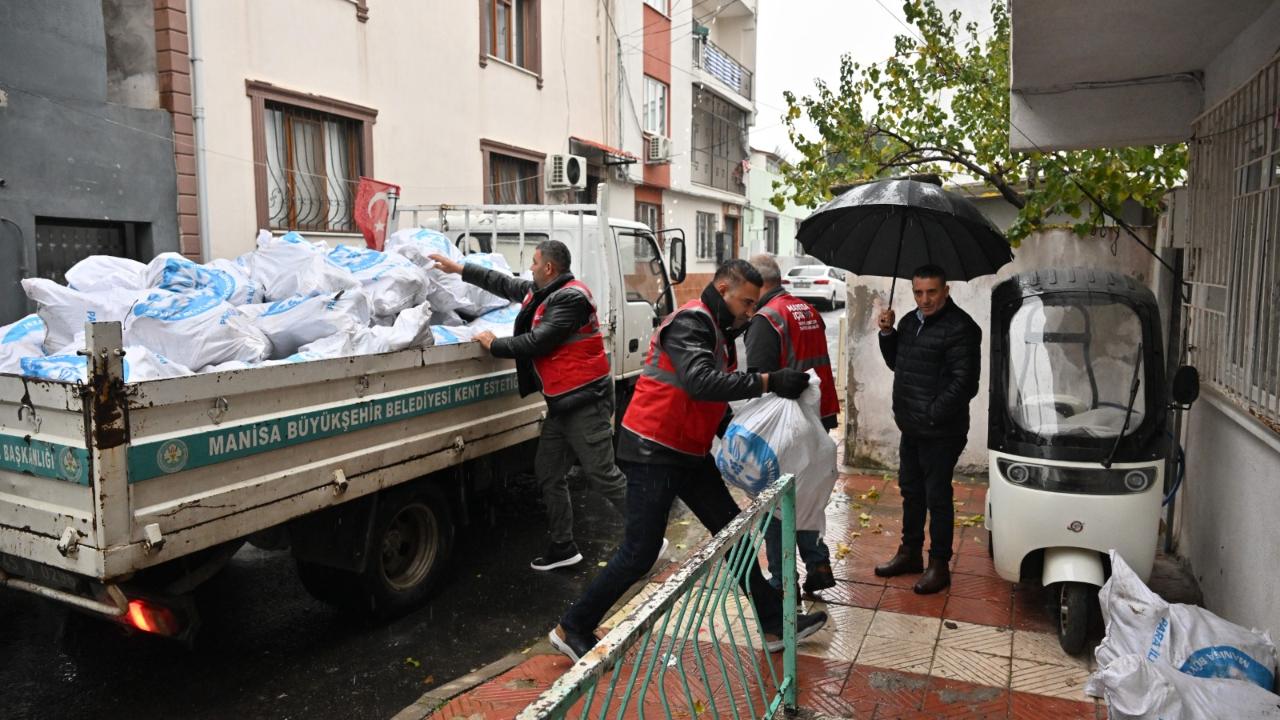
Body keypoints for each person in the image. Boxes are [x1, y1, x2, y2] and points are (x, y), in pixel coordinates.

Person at [547, 259, 829, 662]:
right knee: (641, 551)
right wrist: (769, 381)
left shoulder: (722, 331)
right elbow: (700, 382)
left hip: (688, 451)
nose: (751, 312)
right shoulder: (691, 322)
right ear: (723, 290)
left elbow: (710, 401)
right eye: (746, 303)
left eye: (754, 304)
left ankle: (771, 623)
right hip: (653, 450)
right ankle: (572, 626)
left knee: (732, 533)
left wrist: (740, 439)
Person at [429, 242, 627, 572]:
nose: (530, 268)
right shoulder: (543, 291)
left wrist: (495, 345)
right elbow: (504, 283)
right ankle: (563, 546)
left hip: (586, 402)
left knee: (602, 475)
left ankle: (648, 534)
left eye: (534, 262)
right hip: (563, 403)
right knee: (549, 472)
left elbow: (539, 341)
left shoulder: (570, 298)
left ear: (549, 268)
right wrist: (459, 268)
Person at [874, 264, 981, 594]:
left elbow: (966, 383)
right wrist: (887, 333)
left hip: (941, 430)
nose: (924, 299)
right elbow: (899, 364)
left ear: (946, 290)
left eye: (931, 292)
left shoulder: (961, 328)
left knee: (937, 497)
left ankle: (939, 564)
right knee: (911, 491)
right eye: (918, 292)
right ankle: (909, 553)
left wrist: (932, 414)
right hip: (912, 427)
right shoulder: (908, 322)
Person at [745, 254, 840, 597]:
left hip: (785, 427)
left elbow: (758, 380)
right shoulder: (806, 308)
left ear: (758, 284)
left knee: (777, 505)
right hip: (817, 416)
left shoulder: (766, 319)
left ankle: (782, 581)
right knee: (809, 495)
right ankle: (818, 564)